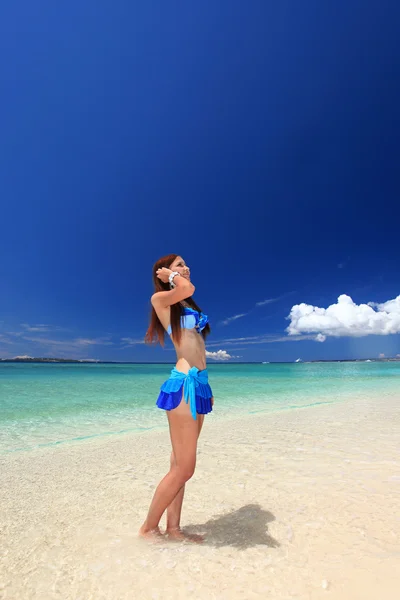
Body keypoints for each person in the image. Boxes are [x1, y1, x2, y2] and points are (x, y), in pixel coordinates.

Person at [139, 254, 213, 542]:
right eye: (181, 264)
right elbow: (186, 288)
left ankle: (173, 529)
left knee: (178, 466)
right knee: (185, 467)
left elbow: (199, 350)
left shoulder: (183, 305)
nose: (187, 268)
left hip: (200, 386)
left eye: (186, 265)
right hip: (183, 385)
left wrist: (209, 390)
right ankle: (148, 528)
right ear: (165, 271)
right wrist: (170, 276)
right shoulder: (162, 301)